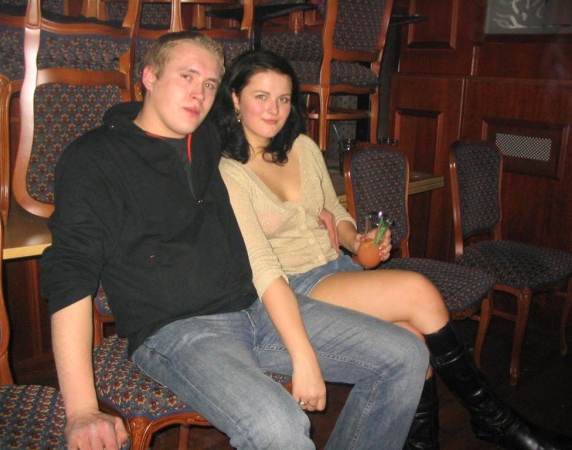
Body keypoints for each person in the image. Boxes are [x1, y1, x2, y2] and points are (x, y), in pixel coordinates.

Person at [40, 31, 430, 450]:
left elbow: (269, 121)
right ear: (149, 76)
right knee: (279, 426)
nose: (199, 94)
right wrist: (81, 409)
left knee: (408, 354)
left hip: (257, 308)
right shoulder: (94, 157)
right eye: (187, 76)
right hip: (181, 330)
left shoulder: (211, 138)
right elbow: (70, 275)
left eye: (210, 84)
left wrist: (315, 211)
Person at [214, 49, 572, 450]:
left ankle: (424, 443)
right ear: (235, 99)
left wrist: (357, 240)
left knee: (414, 342)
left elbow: (334, 211)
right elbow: (259, 264)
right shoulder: (229, 172)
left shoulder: (303, 147)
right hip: (293, 287)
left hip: (337, 270)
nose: (274, 109)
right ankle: (494, 418)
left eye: (283, 98)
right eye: (261, 96)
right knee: (416, 290)